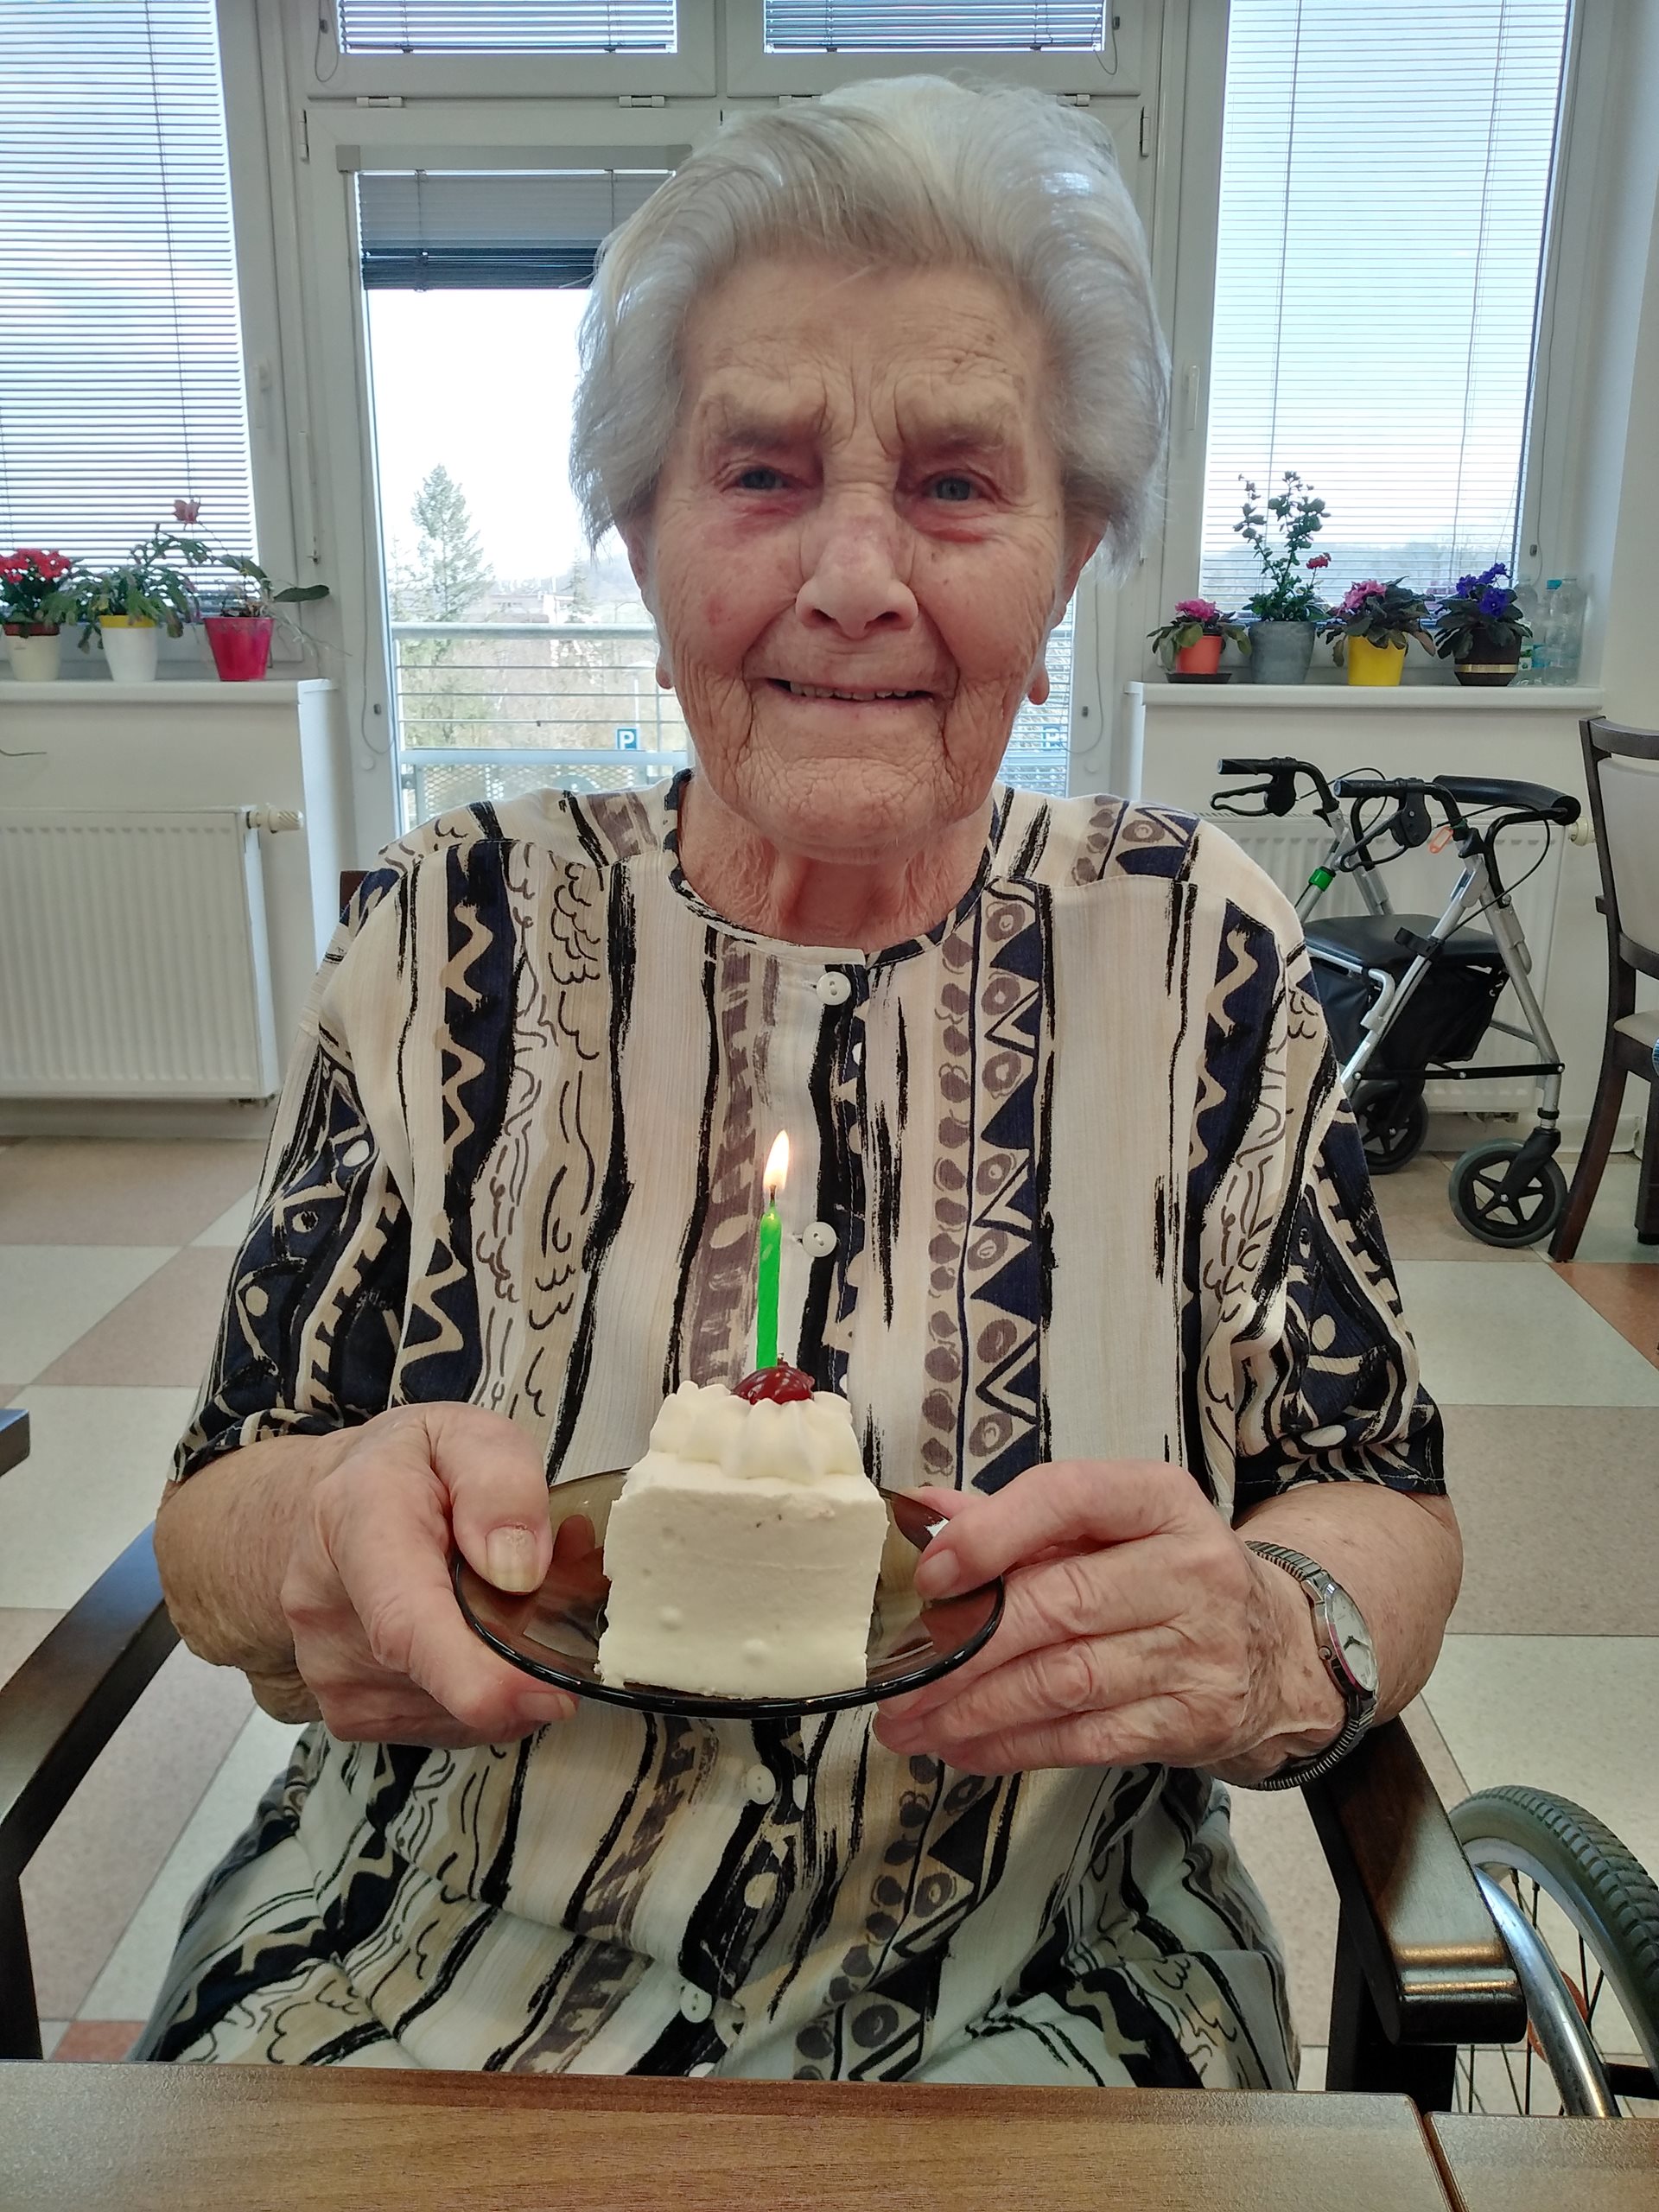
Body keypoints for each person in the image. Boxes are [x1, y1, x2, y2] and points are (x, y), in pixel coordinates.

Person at [141, 77, 1459, 2082]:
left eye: (957, 484)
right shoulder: (450, 924)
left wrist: (1278, 1637)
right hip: (421, 1957)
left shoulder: (1206, 946)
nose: (854, 574)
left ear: (1073, 554)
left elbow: (1380, 1484)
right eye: (759, 472)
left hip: (1049, 1985)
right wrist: (318, 1522)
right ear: (642, 535)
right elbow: (214, 1509)